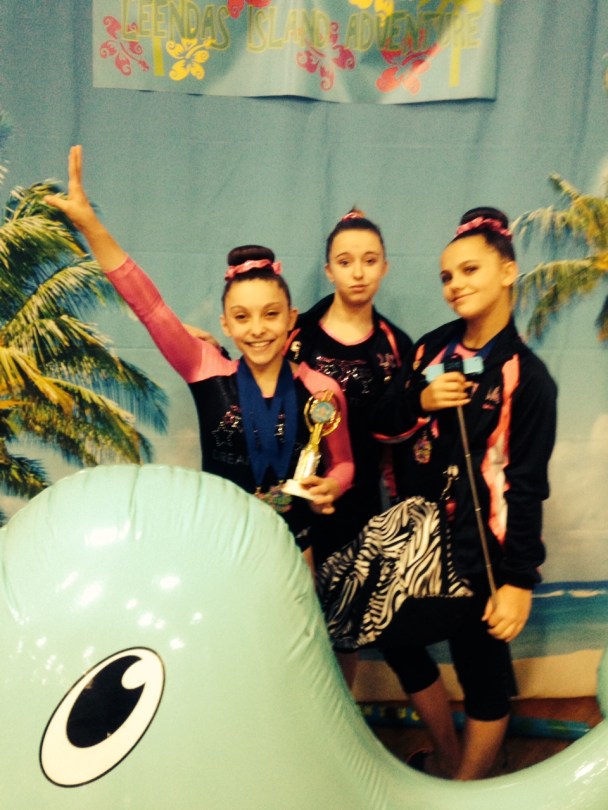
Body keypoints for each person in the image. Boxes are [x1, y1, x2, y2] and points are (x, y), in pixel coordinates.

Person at [45, 146, 354, 568]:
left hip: (294, 550)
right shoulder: (204, 368)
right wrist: (91, 226)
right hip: (218, 548)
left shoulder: (321, 391)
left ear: (291, 318)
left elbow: (344, 463)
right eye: (242, 317)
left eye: (270, 314)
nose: (257, 329)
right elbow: (149, 306)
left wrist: (332, 486)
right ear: (225, 324)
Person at [364, 207, 557, 779]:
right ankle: (448, 755)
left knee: (482, 671)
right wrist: (418, 402)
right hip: (417, 545)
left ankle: (467, 789)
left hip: (483, 556)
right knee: (388, 633)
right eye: (447, 276)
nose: (455, 285)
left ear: (507, 272)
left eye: (470, 270)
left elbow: (527, 487)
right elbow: (381, 425)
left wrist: (518, 580)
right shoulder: (428, 350)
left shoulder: (528, 377)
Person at [284, 209, 413, 564]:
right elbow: (251, 380)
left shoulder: (397, 347)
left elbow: (399, 442)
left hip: (363, 502)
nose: (358, 273)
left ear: (384, 267)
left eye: (369, 261)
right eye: (345, 262)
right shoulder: (294, 334)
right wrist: (210, 351)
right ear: (329, 270)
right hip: (294, 497)